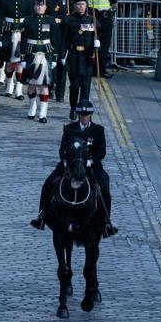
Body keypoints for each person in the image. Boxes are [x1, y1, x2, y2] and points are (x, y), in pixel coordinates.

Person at [31, 101, 118, 237]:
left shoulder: (98, 130)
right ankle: (41, 216)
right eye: (82, 115)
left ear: (91, 115)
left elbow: (102, 152)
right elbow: (62, 149)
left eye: (87, 115)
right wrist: (65, 161)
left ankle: (106, 222)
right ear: (78, 115)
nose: (84, 118)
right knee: (48, 184)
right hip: (70, 166)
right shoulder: (70, 129)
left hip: (91, 167)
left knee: (104, 187)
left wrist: (90, 161)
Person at [21, 0, 61, 123]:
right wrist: (22, 55)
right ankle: (32, 106)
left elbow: (56, 40)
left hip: (46, 52)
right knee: (31, 84)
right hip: (31, 52)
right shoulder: (27, 21)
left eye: (42, 5)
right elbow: (23, 40)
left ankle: (43, 113)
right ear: (34, 6)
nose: (39, 7)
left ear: (45, 7)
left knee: (45, 84)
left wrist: (54, 57)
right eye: (37, 5)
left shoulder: (51, 21)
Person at [63, 0, 97, 121]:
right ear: (75, 6)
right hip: (74, 56)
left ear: (86, 5)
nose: (80, 7)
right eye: (78, 4)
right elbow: (65, 40)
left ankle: (84, 112)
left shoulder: (91, 20)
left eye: (83, 4)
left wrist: (97, 45)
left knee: (86, 87)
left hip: (87, 57)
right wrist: (62, 56)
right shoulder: (69, 20)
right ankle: (73, 107)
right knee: (75, 86)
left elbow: (97, 36)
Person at [84, 0, 116, 77]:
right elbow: (113, 2)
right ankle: (101, 71)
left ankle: (91, 68)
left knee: (92, 44)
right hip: (104, 19)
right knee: (103, 46)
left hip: (91, 17)